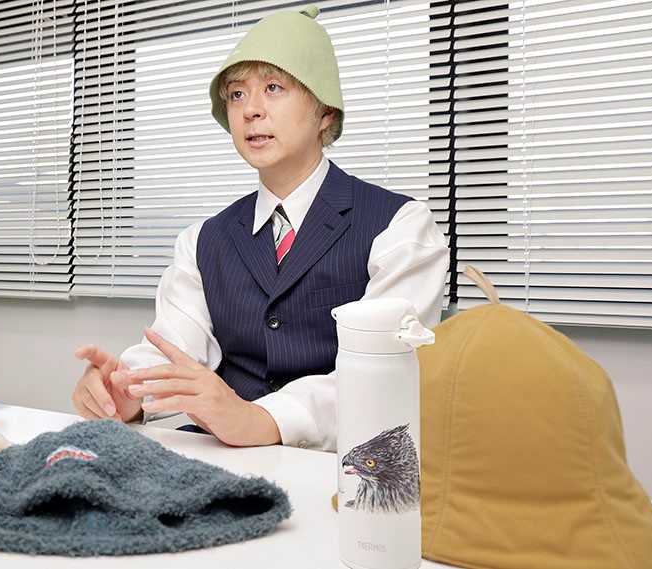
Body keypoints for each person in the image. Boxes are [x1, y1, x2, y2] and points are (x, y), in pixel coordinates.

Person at [70, 5, 448, 452]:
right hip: (222, 460)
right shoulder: (202, 241)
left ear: (325, 112)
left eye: (273, 88)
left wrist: (260, 419)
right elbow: (175, 346)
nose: (250, 110)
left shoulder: (400, 227)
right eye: (236, 94)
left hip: (344, 469)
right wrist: (128, 392)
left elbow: (384, 377)